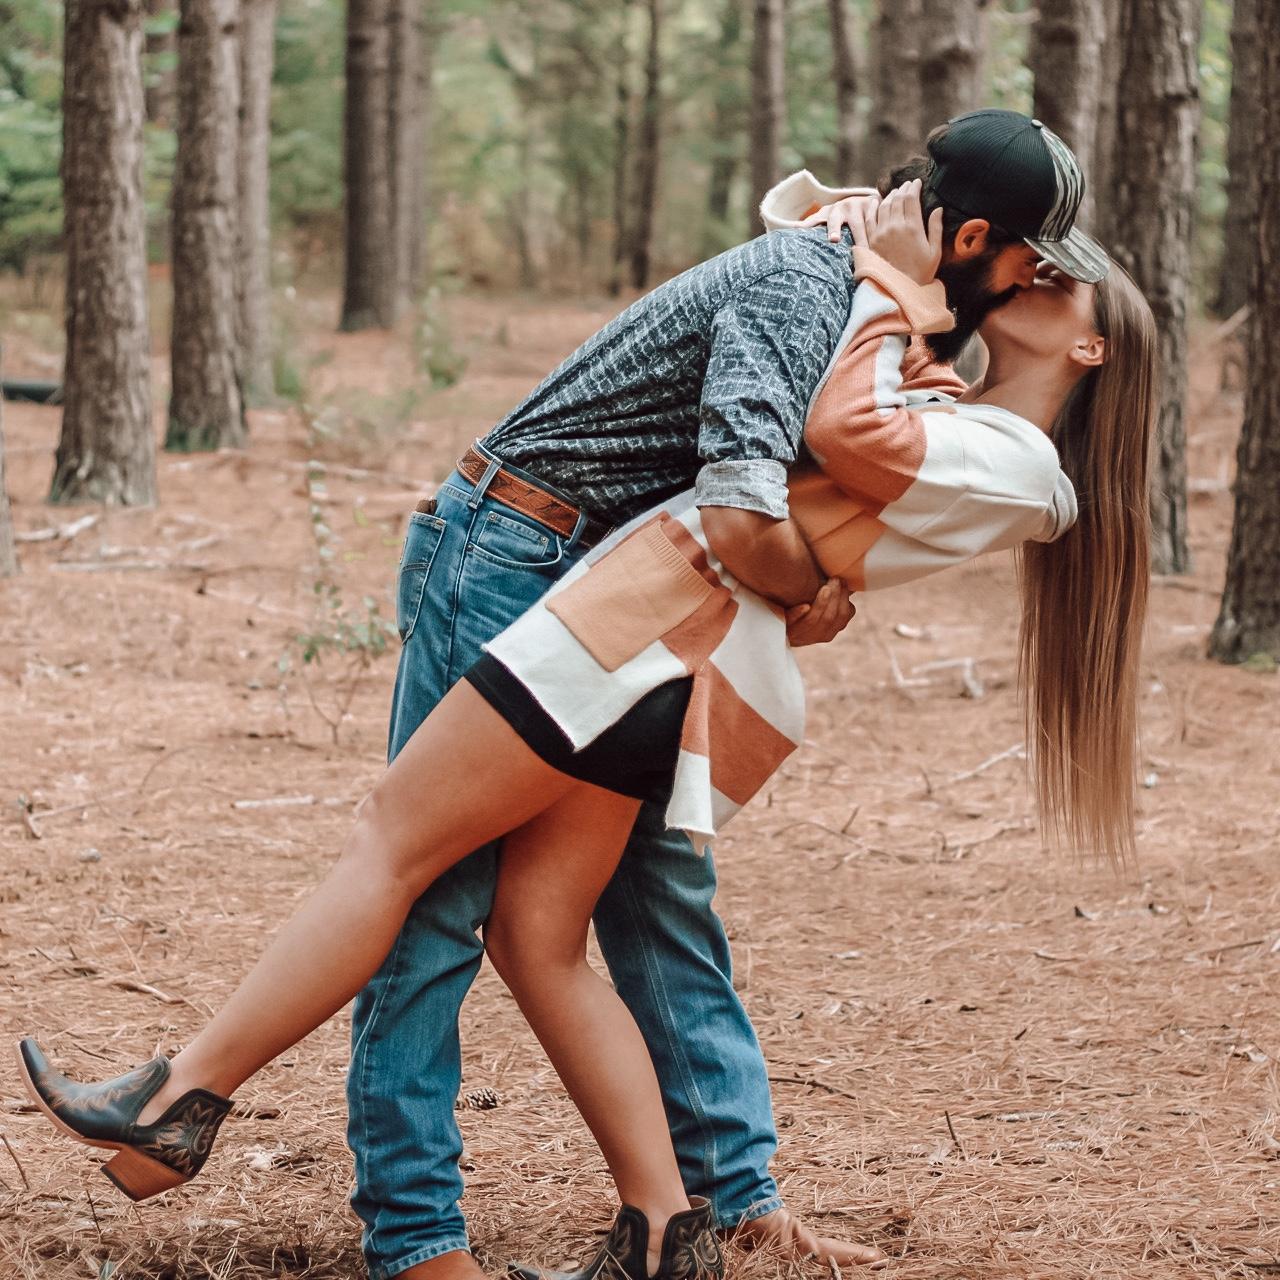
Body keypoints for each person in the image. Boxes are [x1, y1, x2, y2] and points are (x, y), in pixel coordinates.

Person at [16, 112, 1141, 1279]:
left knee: (455, 884)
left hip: (622, 605)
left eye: (1048, 274)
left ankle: (452, 1220)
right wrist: (808, 570)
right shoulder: (815, 286)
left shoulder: (883, 325)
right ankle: (582, 1225)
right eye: (1033, 257)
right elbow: (788, 487)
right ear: (970, 237)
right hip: (539, 555)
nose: (1035, 276)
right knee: (508, 916)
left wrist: (812, 570)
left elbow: (776, 500)